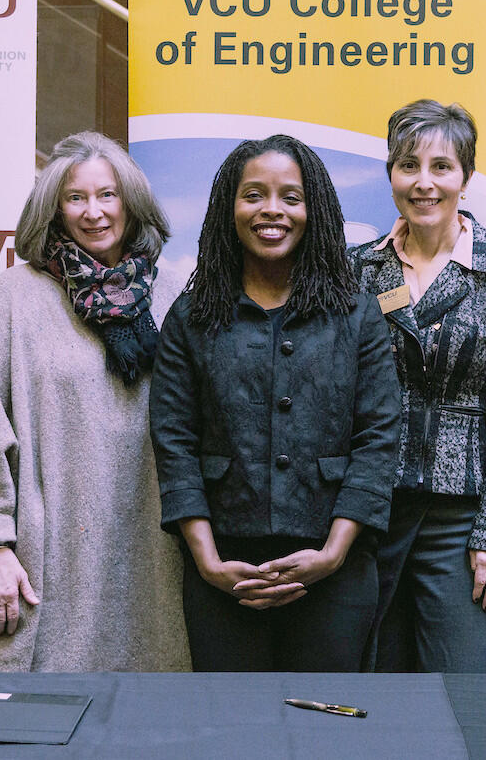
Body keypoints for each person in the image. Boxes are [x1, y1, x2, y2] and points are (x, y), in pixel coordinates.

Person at [0, 131, 190, 672]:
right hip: (47, 546)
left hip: (151, 545)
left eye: (107, 194)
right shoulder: (14, 296)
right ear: (54, 208)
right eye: (75, 198)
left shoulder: (172, 295)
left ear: (131, 202)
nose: (94, 212)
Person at [150, 134, 400, 672]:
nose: (271, 210)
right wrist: (209, 562)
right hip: (224, 567)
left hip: (336, 566)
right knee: (231, 718)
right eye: (253, 195)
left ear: (315, 211)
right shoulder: (190, 318)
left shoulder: (357, 314)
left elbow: (378, 438)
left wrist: (332, 554)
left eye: (291, 197)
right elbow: (174, 442)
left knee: (322, 717)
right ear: (229, 208)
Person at [350, 100, 486, 673]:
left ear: (467, 175)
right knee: (367, 688)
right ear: (390, 173)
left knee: (470, 690)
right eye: (408, 165)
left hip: (464, 520)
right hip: (370, 512)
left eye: (441, 166)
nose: (424, 182)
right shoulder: (356, 270)